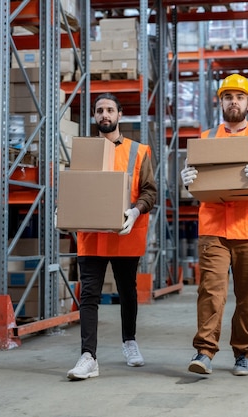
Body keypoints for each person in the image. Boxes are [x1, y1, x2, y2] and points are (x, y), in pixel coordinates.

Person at [180, 73, 248, 376]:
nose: (233, 101)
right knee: (211, 292)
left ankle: (242, 354)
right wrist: (187, 182)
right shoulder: (206, 137)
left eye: (239, 97)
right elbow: (197, 179)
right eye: (228, 96)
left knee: (247, 298)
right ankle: (205, 352)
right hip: (214, 227)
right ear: (220, 102)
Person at [67, 93, 157, 380]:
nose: (104, 115)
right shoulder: (84, 150)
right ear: (94, 116)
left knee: (127, 292)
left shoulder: (139, 151)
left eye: (109, 110)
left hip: (125, 234)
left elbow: (150, 191)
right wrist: (65, 206)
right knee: (90, 294)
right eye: (99, 110)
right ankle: (88, 357)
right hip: (91, 236)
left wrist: (136, 211)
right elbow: (76, 186)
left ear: (120, 114)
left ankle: (129, 341)